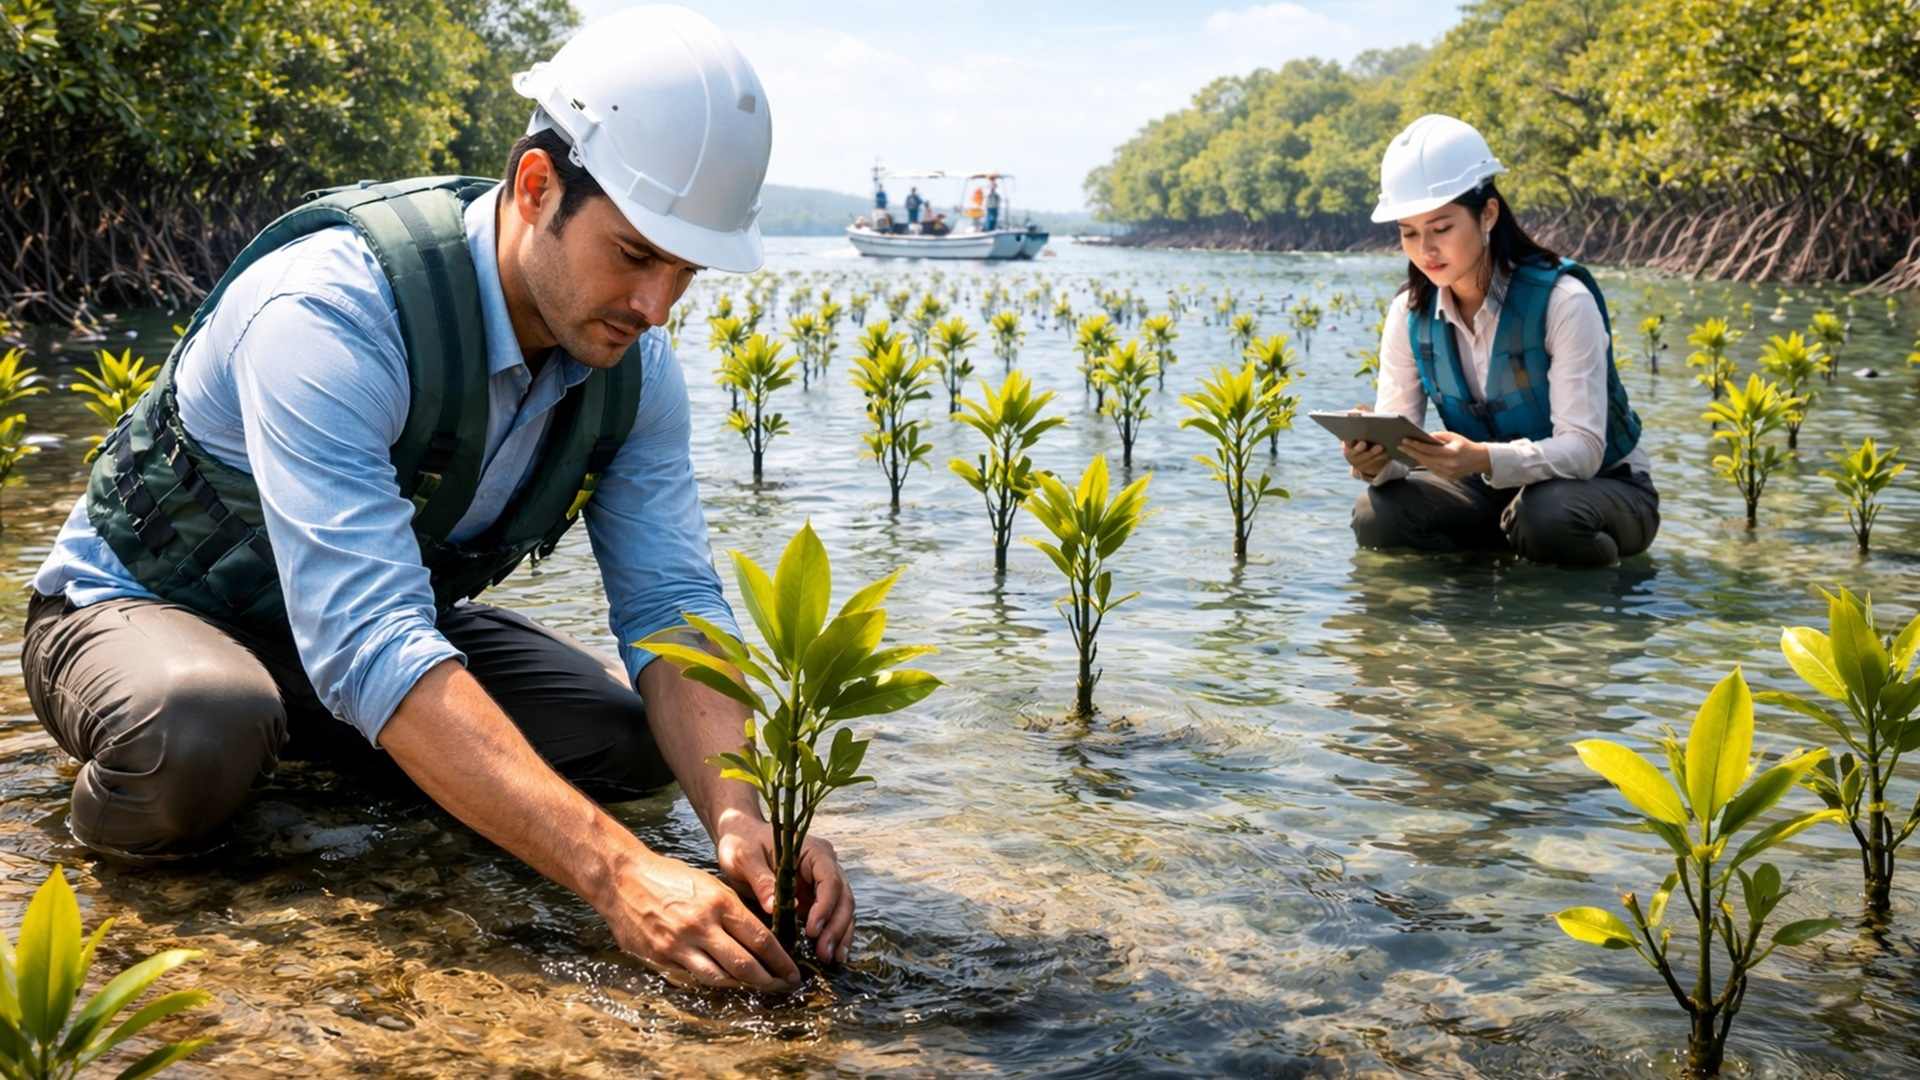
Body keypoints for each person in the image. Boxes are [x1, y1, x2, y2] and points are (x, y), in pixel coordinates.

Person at [21, 5, 851, 995]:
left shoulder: (640, 369)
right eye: (635, 255)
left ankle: (348, 762)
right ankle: (113, 895)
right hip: (138, 612)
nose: (656, 306)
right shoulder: (331, 309)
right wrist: (619, 876)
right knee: (199, 725)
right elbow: (372, 638)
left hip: (327, 645)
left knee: (625, 739)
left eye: (686, 271)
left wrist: (745, 818)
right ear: (536, 186)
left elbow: (674, 607)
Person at [1343, 114, 1658, 568]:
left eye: (1442, 228)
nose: (1425, 250)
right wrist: (1373, 461)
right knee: (1378, 514)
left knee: (1548, 517)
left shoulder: (1564, 300)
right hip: (1489, 491)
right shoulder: (1407, 312)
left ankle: (1594, 616)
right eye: (1409, 233)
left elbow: (1585, 451)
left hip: (1603, 489)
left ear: (1487, 214)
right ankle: (1479, 614)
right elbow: (1398, 458)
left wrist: (1482, 459)